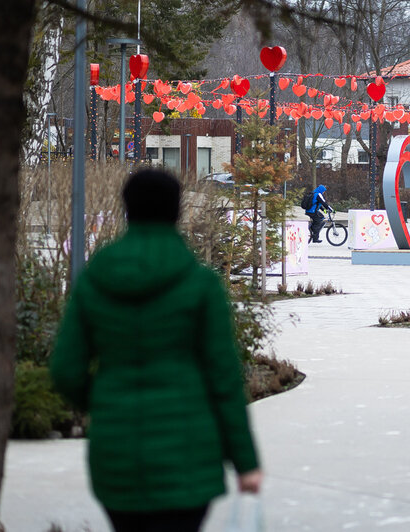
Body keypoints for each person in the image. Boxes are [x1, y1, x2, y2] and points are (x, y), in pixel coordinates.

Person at [50, 168, 261, 532]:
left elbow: (65, 369)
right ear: (177, 211)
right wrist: (245, 462)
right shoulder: (200, 284)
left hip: (116, 458)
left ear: (127, 209)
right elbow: (224, 380)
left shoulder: (94, 281)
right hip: (188, 457)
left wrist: (103, 400)